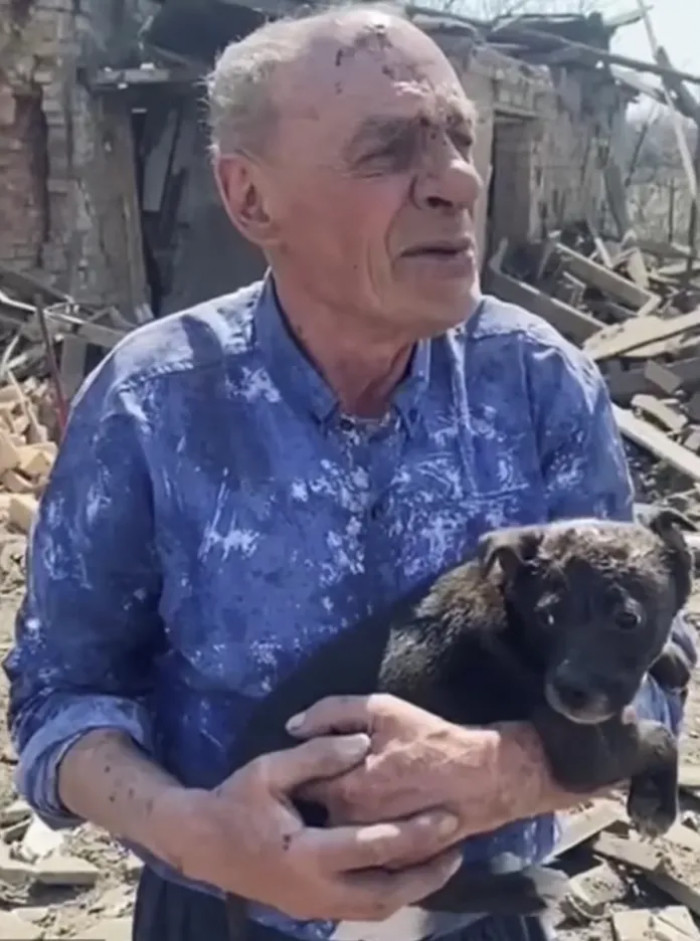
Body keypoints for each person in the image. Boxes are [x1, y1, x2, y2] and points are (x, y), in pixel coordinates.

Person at [3, 6, 695, 941]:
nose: (455, 179)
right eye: (389, 150)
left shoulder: (537, 383)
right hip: (226, 915)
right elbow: (59, 691)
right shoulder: (153, 402)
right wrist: (201, 834)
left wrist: (508, 769)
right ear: (251, 201)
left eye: (459, 136)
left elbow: (652, 657)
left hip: (479, 919)